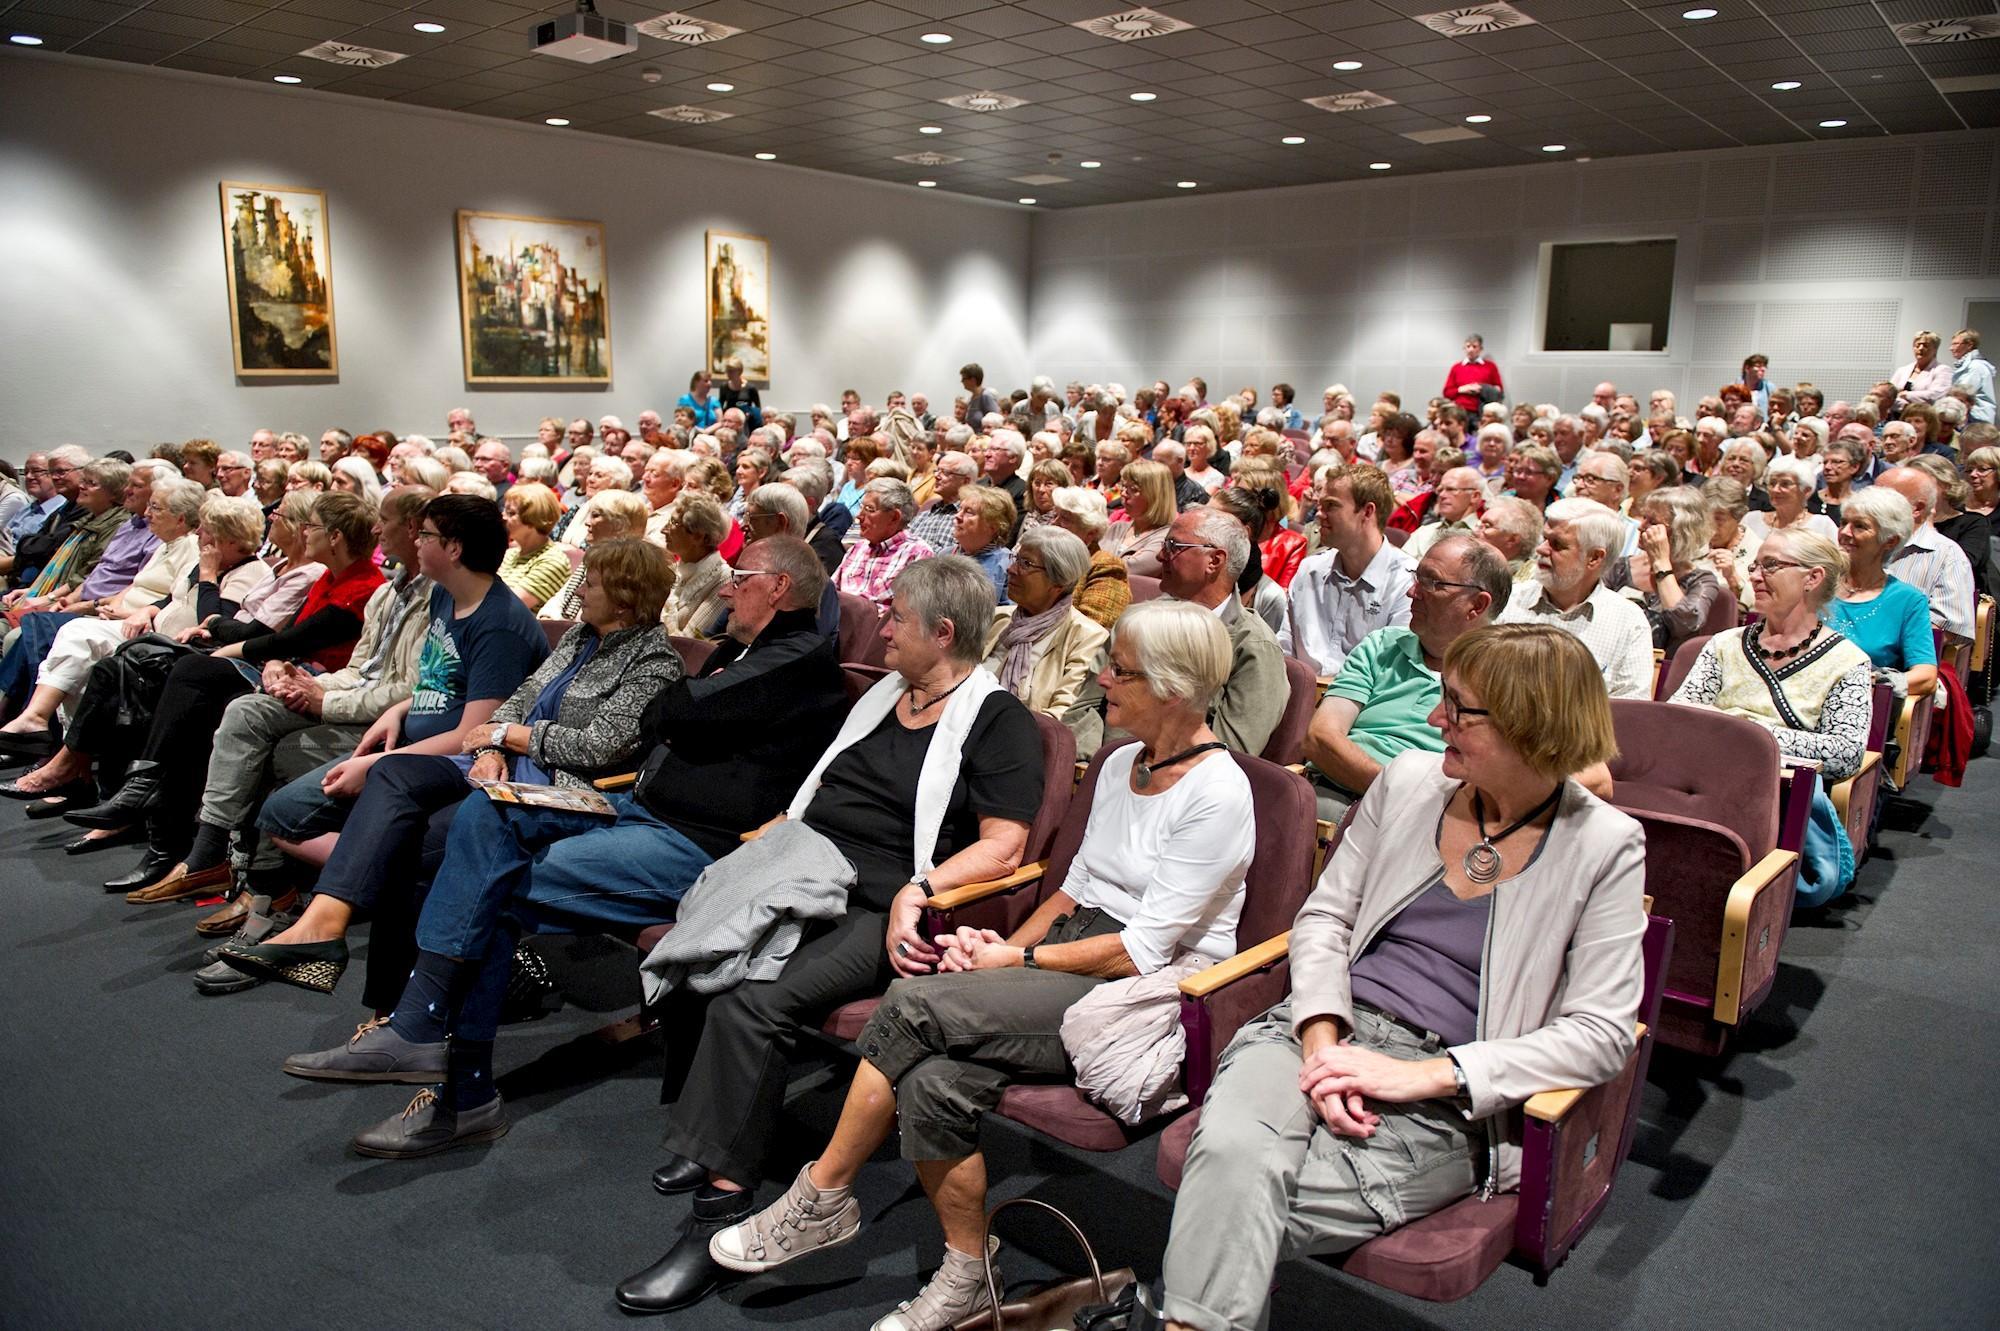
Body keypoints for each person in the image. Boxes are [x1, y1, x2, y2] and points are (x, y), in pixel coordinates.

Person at [703, 600, 1253, 1329]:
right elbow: (1067, 891)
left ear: (1175, 687)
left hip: (1141, 991)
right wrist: (989, 960)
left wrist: (1014, 955)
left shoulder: (1219, 790)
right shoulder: (1124, 762)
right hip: (1067, 957)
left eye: (1118, 668)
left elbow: (1140, 948)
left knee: (910, 1002)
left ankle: (823, 1194)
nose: (1101, 677)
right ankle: (966, 1271)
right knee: (933, 1080)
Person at [1158, 623, 1643, 1331]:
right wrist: (1325, 1041)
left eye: (1458, 706)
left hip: (1448, 1092)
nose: (1432, 717)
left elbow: (1602, 1036)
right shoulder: (1412, 780)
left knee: (1229, 1195)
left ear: (1528, 722)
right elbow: (1324, 921)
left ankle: (1153, 1307)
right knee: (1232, 1162)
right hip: (1324, 1025)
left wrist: (1424, 1075)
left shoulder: (1605, 843)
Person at [614, 556, 1045, 1316]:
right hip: (808, 864)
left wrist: (922, 888)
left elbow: (1005, 845)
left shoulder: (996, 719)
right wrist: (763, 849)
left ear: (943, 634)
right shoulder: (884, 693)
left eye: (898, 618)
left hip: (884, 900)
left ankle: (717, 1216)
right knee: (707, 940)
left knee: (756, 998)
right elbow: (816, 791)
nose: (880, 624)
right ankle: (712, 1137)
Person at [225, 539, 680, 1006]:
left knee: (410, 840)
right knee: (395, 773)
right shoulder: (579, 637)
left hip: (560, 789)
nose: (580, 592)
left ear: (625, 597)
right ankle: (327, 918)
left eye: (592, 583)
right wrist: (493, 744)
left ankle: (394, 1006)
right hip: (502, 761)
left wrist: (512, 738)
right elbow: (520, 700)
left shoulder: (655, 662)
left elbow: (599, 747)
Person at [213, 496, 549, 950]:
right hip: (408, 741)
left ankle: (355, 891)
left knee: (300, 814)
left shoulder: (500, 624)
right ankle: (367, 876)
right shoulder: (448, 600)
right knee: (282, 814)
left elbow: (474, 735)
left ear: (453, 548)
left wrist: (379, 763)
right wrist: (398, 710)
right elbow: (439, 682)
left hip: (443, 765)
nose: (415, 540)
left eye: (425, 534)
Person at [55, 493, 385, 885]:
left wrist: (229, 637)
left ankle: (159, 819)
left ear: (334, 536)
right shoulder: (327, 576)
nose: (302, 532)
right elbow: (283, 641)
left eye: (309, 526)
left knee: (191, 676)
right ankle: (140, 805)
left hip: (313, 684)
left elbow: (278, 639)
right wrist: (257, 650)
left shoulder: (362, 585)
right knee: (135, 671)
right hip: (284, 671)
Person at [1303, 535, 1511, 819]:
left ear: (1477, 605)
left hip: (1423, 819)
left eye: (1431, 582)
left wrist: (1398, 802)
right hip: (1334, 794)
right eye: (1417, 577)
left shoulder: (1505, 679)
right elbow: (1320, 737)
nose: (1412, 592)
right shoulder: (1382, 644)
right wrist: (1393, 791)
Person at [0, 476, 203, 750]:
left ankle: (39, 726)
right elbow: (135, 585)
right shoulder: (165, 544)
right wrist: (108, 605)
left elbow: (177, 599)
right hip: (114, 615)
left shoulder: (190, 548)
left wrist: (121, 611)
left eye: (156, 508)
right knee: (56, 637)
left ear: (180, 519)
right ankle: (44, 734)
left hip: (142, 628)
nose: (146, 514)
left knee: (67, 632)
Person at [1071, 508, 1286, 758]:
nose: (1161, 556)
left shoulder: (1253, 645)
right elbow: (1084, 706)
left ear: (1214, 561)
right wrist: (1095, 765)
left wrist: (1142, 767)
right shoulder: (1136, 620)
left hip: (1176, 783)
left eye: (1174, 546)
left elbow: (1229, 750)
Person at [1498, 499, 1653, 699]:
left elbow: (1631, 710)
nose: (1542, 550)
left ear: (1595, 558)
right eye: (1544, 539)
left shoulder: (1628, 622)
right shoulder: (1508, 600)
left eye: (1557, 544)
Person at [1280, 464, 1416, 676]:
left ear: (1367, 512)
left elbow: (1391, 671)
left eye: (1330, 506)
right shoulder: (1310, 569)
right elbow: (1285, 647)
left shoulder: (1406, 583)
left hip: (1364, 704)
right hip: (1298, 697)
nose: (1318, 514)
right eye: (1319, 505)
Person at [981, 525, 1108, 743]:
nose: (1011, 569)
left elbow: (1061, 717)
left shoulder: (1088, 638)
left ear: (1058, 582)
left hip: (1023, 744)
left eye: (1025, 564)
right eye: (1015, 558)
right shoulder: (997, 618)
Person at [1826, 487, 1937, 705]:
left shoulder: (1907, 600)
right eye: (1843, 523)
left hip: (1857, 708)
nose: (1845, 532)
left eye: (1860, 526)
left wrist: (1875, 682)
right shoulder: (1817, 582)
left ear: (1890, 541)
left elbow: (1926, 676)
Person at [1610, 484, 1733, 655]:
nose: (1640, 526)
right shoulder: (1620, 567)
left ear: (1681, 531)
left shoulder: (1702, 580)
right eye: (1643, 517)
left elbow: (1683, 624)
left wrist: (1661, 564)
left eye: (1652, 522)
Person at [1877, 466, 1976, 638]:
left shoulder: (1946, 555)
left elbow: (1948, 628)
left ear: (1917, 508)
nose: (1868, 505)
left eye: (1883, 499)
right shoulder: (1853, 546)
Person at [835, 478, 935, 607]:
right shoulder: (858, 548)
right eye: (861, 507)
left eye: (869, 509)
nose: (859, 516)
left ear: (894, 517)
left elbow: (910, 614)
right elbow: (831, 592)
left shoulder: (918, 555)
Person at [1051, 485, 1131, 631]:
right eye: (1054, 515)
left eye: (1065, 519)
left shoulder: (1106, 567)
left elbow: (1092, 630)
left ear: (1091, 533)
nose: (1053, 523)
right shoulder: (1049, 558)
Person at [659, 491, 731, 638]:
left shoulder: (725, 580)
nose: (663, 530)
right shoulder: (672, 571)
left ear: (698, 536)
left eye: (673, 523)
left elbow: (689, 643)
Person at [494, 483, 569, 613]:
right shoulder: (510, 554)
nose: (503, 517)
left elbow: (508, 606)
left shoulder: (553, 561)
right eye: (504, 510)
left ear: (534, 520)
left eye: (511, 513)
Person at [1103, 459, 1177, 578]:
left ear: (1155, 496)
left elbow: (1125, 572)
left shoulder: (1166, 538)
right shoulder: (1117, 527)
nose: (1123, 494)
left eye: (1133, 489)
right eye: (1123, 486)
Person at [1402, 467, 1487, 561]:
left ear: (1475, 496)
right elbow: (1400, 567)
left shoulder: (1484, 536)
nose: (1441, 495)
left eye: (1451, 489)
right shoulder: (1423, 532)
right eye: (1440, 490)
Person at [949, 484, 1015, 603]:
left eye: (969, 512)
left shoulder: (1008, 564)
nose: (958, 516)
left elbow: (1007, 615)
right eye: (960, 509)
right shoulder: (946, 554)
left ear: (994, 526)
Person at [1475, 495, 1544, 583]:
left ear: (1512, 540)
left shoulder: (1527, 582)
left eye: (1487, 526)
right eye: (1479, 523)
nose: (1475, 530)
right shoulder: (1473, 565)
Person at [1440, 333, 1503, 416]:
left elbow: (1499, 390)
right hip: (1460, 411)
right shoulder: (1456, 367)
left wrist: (1483, 388)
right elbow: (1447, 392)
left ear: (1480, 349)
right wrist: (1462, 389)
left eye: (1474, 346)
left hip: (1483, 411)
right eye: (1468, 346)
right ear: (1464, 348)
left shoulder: (1490, 367)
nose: (1471, 349)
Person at [1892, 331, 1952, 411]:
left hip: (1926, 417)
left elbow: (1936, 396)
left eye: (1925, 345)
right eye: (1917, 345)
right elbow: (1890, 395)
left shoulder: (1943, 370)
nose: (1920, 348)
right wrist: (1905, 406)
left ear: (1935, 349)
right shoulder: (1902, 370)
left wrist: (1905, 394)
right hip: (1898, 414)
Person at [1950, 328, 1995, 424]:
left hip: (1976, 419)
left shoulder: (1975, 367)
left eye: (1955, 344)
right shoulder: (1968, 366)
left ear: (1969, 345)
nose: (1951, 348)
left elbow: (1962, 394)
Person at [717, 356, 762, 431]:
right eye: (727, 371)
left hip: (747, 422)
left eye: (731, 371)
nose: (728, 374)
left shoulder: (751, 388)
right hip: (731, 423)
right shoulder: (724, 387)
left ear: (739, 371)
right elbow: (721, 406)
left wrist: (750, 414)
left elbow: (758, 408)